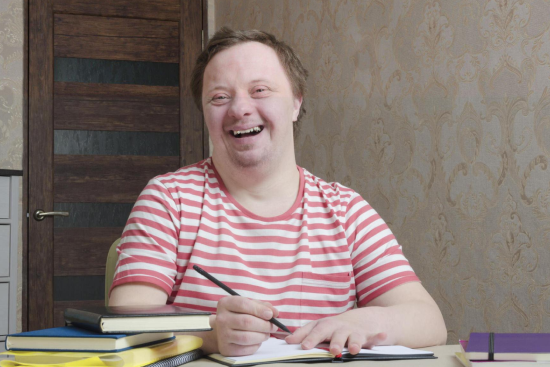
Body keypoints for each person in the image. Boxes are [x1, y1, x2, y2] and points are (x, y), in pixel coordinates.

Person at [108, 27, 447, 357]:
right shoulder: (169, 199)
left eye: (260, 90)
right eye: (219, 97)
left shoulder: (346, 210)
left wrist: (368, 319)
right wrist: (209, 334)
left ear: (296, 103)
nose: (239, 109)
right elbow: (124, 318)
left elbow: (429, 321)